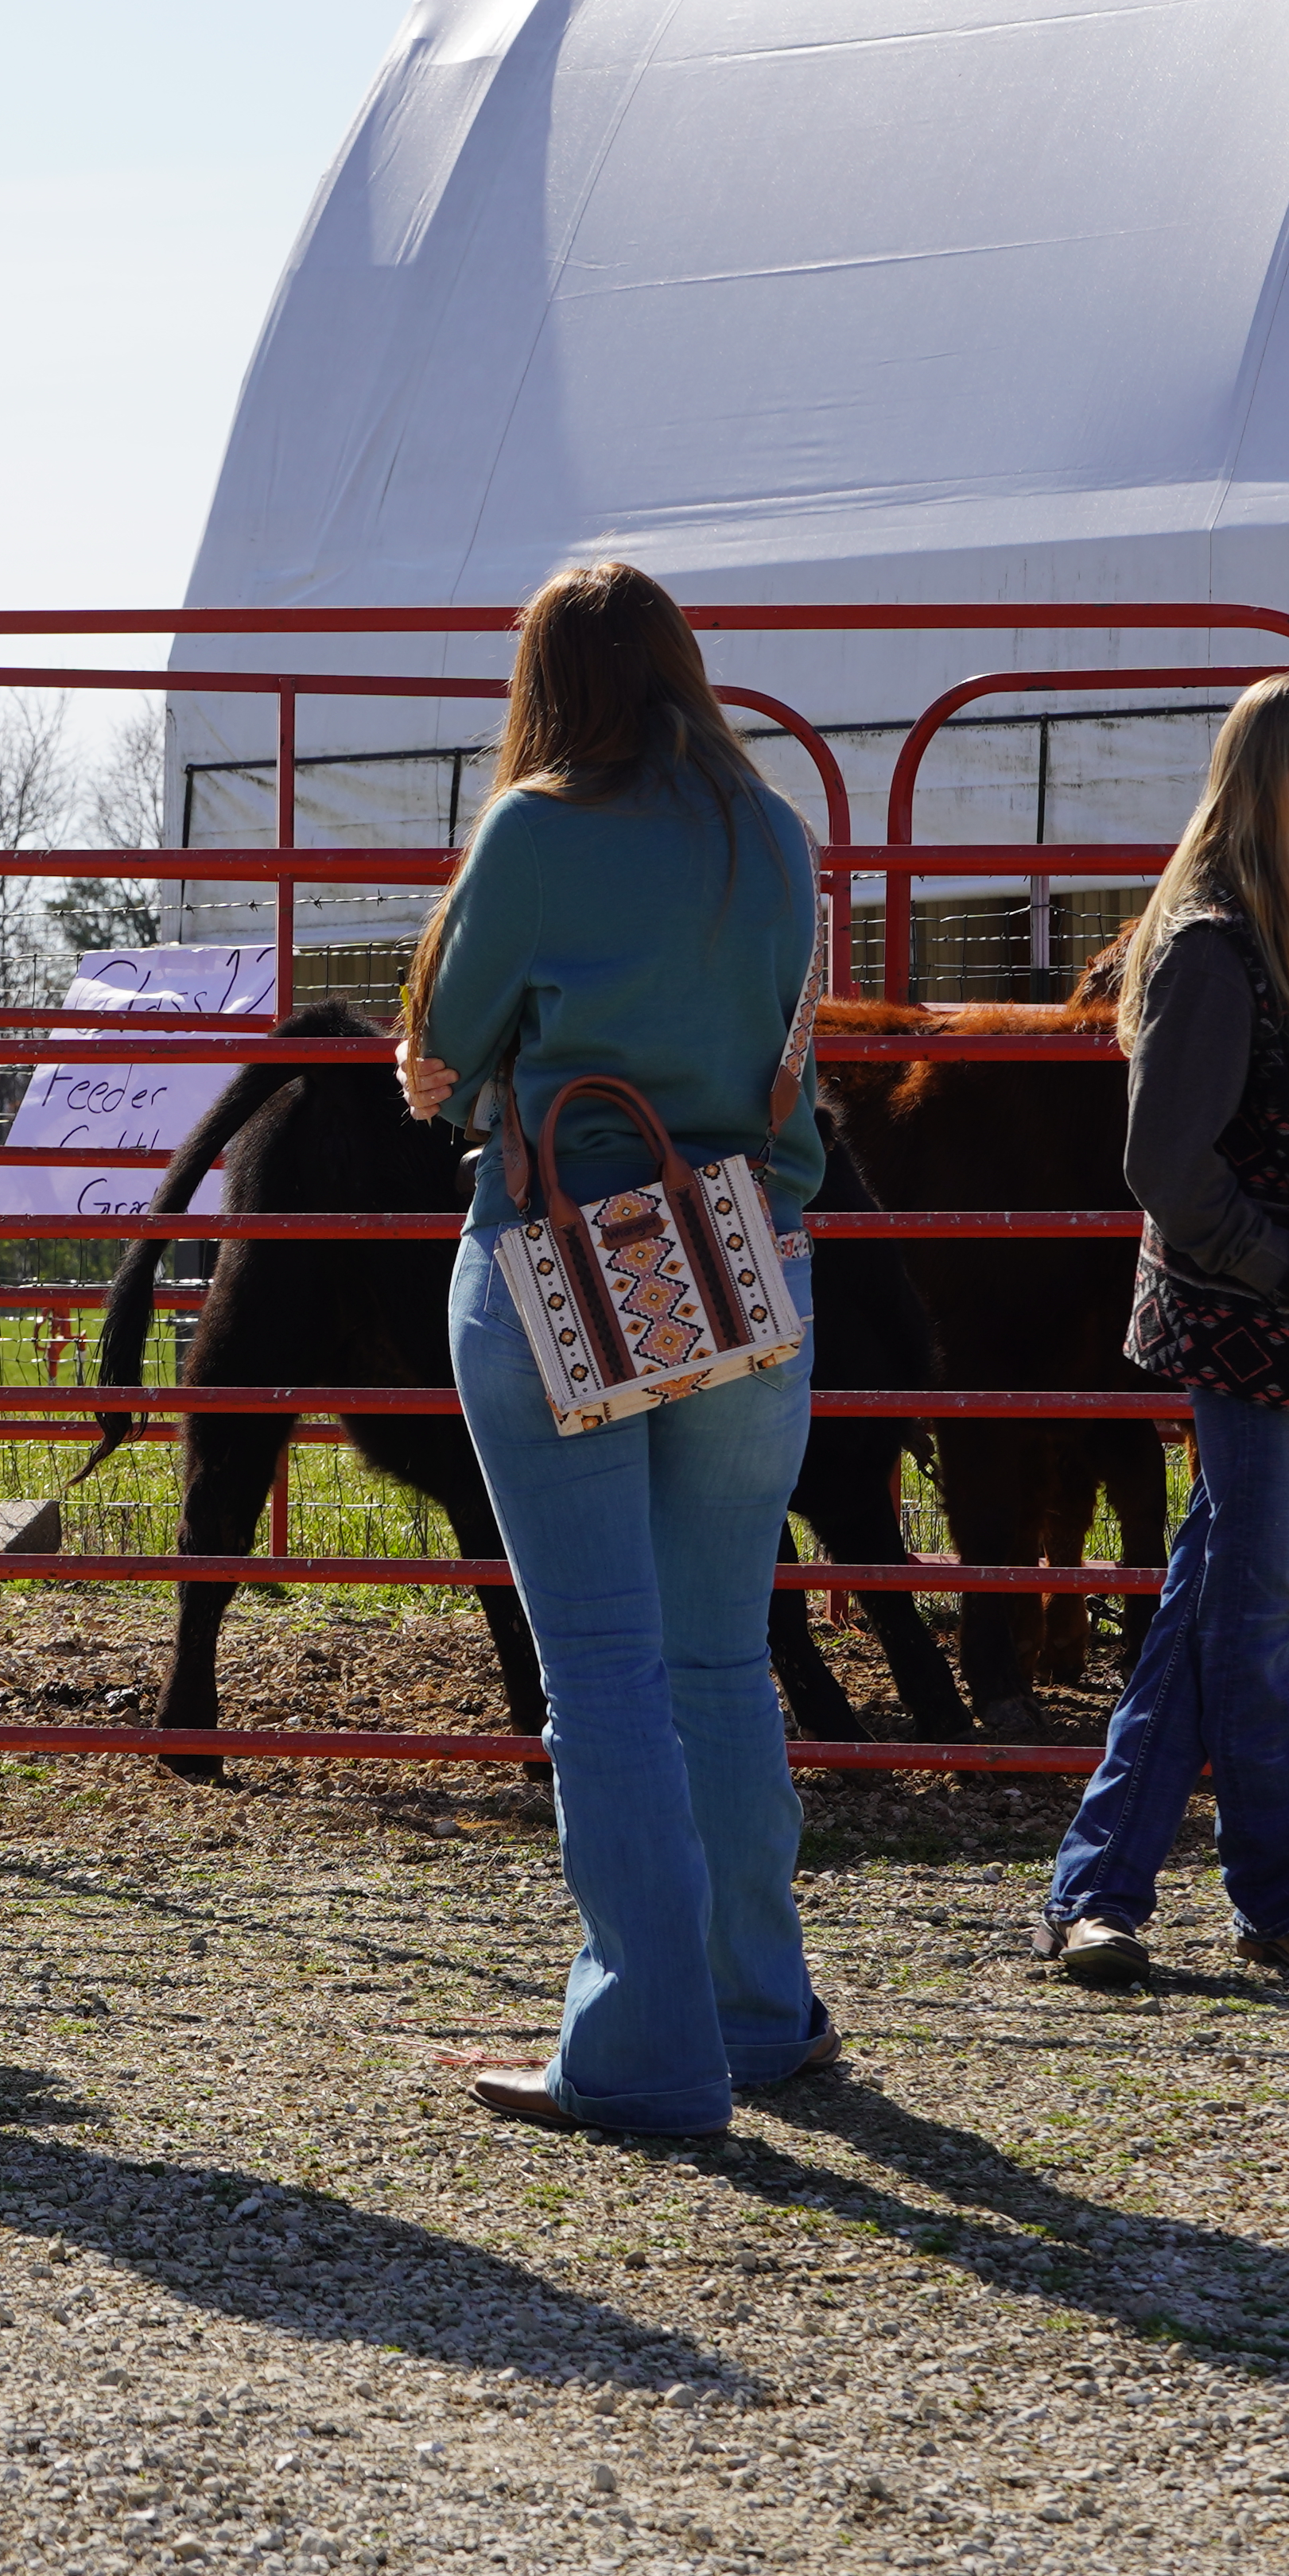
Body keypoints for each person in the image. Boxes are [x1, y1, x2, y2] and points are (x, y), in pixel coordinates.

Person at [394, 561, 829, 2136]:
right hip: (747, 1253)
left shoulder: (532, 829)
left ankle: (643, 2046)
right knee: (722, 1653)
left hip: (572, 1247)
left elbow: (442, 1052)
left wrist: (445, 1075)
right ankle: (753, 2005)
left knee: (605, 1672)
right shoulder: (774, 832)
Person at [1037, 673, 1289, 1988]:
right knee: (1253, 1616)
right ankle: (1282, 1894)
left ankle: (1100, 1892)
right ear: (1288, 790)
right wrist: (1270, 1264)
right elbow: (1169, 1159)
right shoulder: (1218, 943)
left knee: (1218, 1605)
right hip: (1267, 1324)